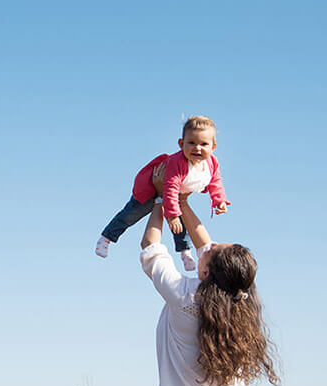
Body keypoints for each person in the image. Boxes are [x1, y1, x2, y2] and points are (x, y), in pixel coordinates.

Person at [140, 166, 279, 386]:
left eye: (211, 251)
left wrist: (162, 200)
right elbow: (209, 249)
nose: (209, 245)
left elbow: (150, 246)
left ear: (205, 271)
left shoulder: (184, 296)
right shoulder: (242, 302)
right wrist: (181, 203)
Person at [96, 116, 229, 270]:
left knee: (180, 223)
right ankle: (107, 237)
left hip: (176, 196)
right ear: (181, 144)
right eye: (191, 143)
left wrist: (219, 201)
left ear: (213, 146)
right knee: (131, 214)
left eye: (204, 144)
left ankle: (185, 251)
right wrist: (171, 215)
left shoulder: (212, 163)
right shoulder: (177, 162)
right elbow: (170, 186)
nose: (197, 148)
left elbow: (215, 182)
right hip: (152, 188)